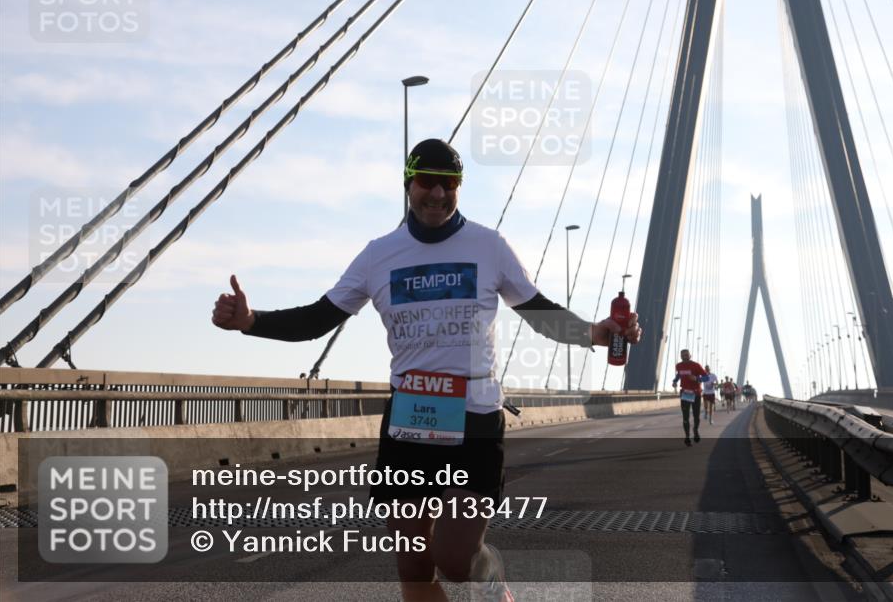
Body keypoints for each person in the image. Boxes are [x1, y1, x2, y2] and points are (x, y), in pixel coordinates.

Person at [212, 138, 642, 602]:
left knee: (456, 562)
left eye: (449, 184)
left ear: (459, 188)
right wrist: (251, 323)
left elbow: (538, 312)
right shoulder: (379, 255)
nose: (437, 194)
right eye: (427, 183)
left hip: (474, 418)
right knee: (414, 564)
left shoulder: (488, 246)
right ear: (408, 184)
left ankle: (488, 571)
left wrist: (595, 333)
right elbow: (318, 320)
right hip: (409, 420)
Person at [671, 349, 706, 446]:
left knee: (696, 416)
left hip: (696, 393)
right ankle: (687, 437)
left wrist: (696, 378)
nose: (684, 356)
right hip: (685, 393)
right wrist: (675, 381)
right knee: (685, 417)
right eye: (682, 355)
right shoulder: (679, 366)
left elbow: (706, 377)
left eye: (686, 355)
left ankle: (695, 430)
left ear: (690, 355)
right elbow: (679, 375)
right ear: (681, 356)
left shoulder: (696, 365)